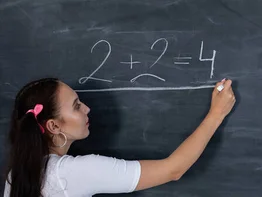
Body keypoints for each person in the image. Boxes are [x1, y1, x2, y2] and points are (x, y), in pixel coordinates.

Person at [3, 77, 236, 197]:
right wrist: (217, 114)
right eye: (76, 106)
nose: (87, 109)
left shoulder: (18, 175)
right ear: (54, 125)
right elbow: (173, 170)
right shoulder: (71, 173)